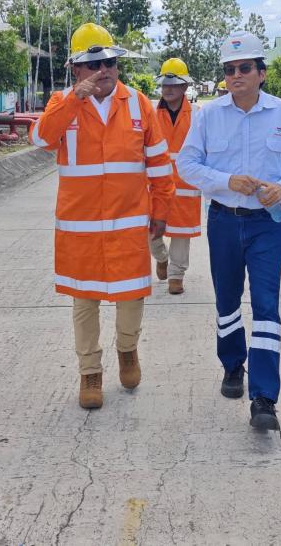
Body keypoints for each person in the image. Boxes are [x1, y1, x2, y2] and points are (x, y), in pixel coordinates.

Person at [30, 22, 175, 410]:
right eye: (93, 64)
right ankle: (90, 372)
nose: (104, 70)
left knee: (132, 294)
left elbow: (160, 163)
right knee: (85, 300)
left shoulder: (139, 103)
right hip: (81, 229)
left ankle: (128, 350)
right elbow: (43, 139)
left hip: (129, 223)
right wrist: (72, 101)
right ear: (76, 69)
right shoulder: (62, 103)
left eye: (109, 61)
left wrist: (161, 210)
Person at [177, 30, 281, 431]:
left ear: (262, 73)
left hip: (267, 226)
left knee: (267, 307)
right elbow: (187, 165)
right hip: (223, 220)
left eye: (245, 68)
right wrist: (225, 181)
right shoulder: (209, 115)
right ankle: (233, 365)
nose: (237, 75)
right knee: (227, 301)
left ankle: (265, 397)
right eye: (230, 69)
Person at [150, 57, 202, 295]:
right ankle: (161, 257)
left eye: (174, 84)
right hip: (155, 183)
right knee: (150, 230)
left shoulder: (197, 115)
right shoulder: (150, 114)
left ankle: (176, 274)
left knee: (181, 232)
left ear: (184, 87)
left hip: (185, 183)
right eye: (165, 84)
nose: (169, 89)